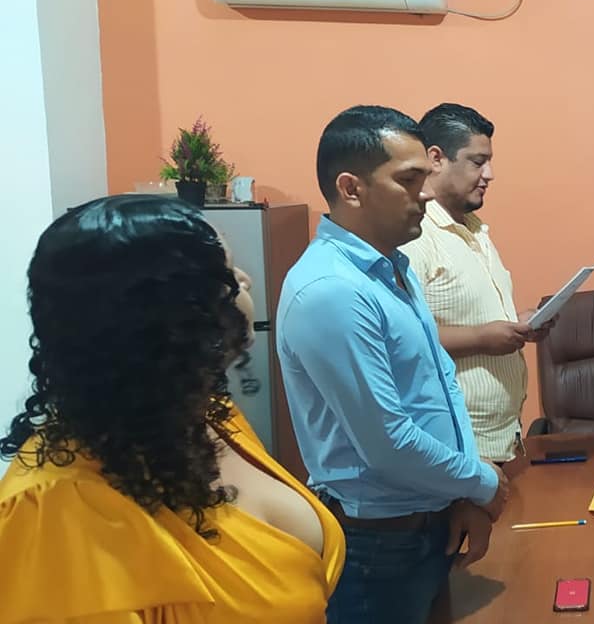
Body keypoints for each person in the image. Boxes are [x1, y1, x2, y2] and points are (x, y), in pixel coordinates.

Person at [0, 194, 345, 622]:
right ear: (164, 316)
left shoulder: (210, 416)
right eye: (226, 272)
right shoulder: (53, 511)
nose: (246, 280)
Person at [277, 105, 505, 624]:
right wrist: (481, 482)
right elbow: (388, 443)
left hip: (428, 521)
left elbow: (440, 389)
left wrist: (462, 496)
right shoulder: (333, 289)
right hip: (377, 544)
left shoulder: (392, 268)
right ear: (351, 189)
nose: (425, 193)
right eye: (408, 180)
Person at [400, 103, 551, 465]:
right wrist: (482, 338)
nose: (489, 174)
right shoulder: (414, 238)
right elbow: (402, 339)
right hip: (457, 446)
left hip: (502, 439)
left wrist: (518, 323)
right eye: (478, 162)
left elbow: (470, 314)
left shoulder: (473, 227)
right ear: (436, 159)